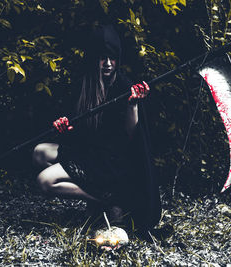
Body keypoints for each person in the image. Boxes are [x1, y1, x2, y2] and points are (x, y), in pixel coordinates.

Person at [32, 25, 161, 231]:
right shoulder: (84, 84)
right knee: (39, 152)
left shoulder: (123, 86)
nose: (108, 64)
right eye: (102, 57)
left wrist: (133, 104)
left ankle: (107, 200)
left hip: (110, 161)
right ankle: (101, 198)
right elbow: (78, 128)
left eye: (112, 58)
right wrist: (64, 127)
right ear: (93, 58)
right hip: (88, 151)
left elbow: (131, 134)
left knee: (45, 181)